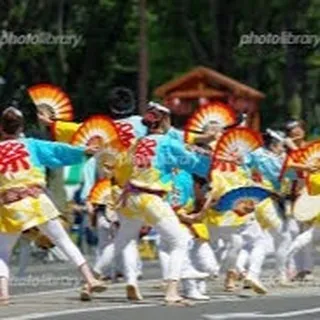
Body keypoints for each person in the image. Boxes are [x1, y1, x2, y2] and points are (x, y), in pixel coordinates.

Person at [93, 104, 211, 305]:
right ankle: (172, 290)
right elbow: (194, 165)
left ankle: (90, 279)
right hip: (151, 198)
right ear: (164, 121)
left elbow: (122, 166)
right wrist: (207, 156)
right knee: (179, 241)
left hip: (130, 197)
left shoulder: (137, 143)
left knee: (121, 241)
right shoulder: (166, 143)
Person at [0, 107, 106, 305]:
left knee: (2, 252)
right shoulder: (31, 145)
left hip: (10, 205)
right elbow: (58, 150)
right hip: (36, 201)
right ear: (21, 128)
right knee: (63, 241)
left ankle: (3, 293)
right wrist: (84, 152)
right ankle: (90, 278)